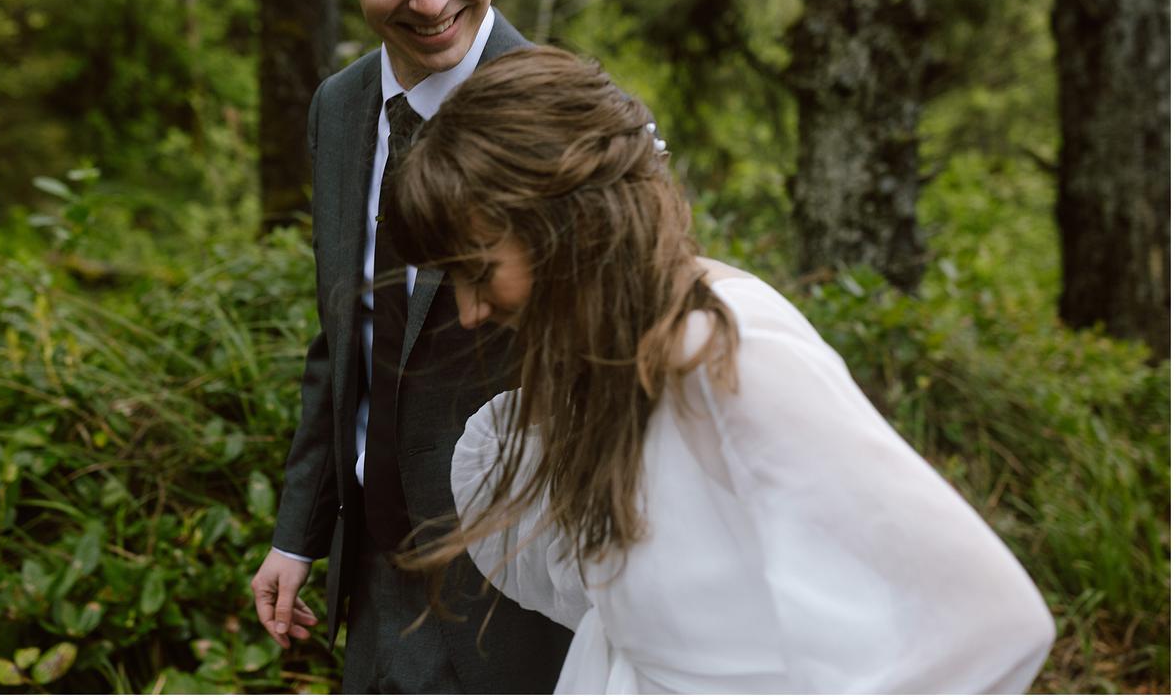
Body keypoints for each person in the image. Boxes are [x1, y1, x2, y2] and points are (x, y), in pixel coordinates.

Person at [385, 46, 1057, 694]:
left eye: (479, 271)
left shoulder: (732, 357)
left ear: (570, 224)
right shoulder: (614, 357)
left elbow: (991, 621)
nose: (469, 312)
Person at [247, 0, 572, 692]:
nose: (430, 0)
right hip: (373, 577)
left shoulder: (570, 121)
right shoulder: (339, 108)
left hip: (520, 593)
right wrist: (298, 534)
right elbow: (341, 336)